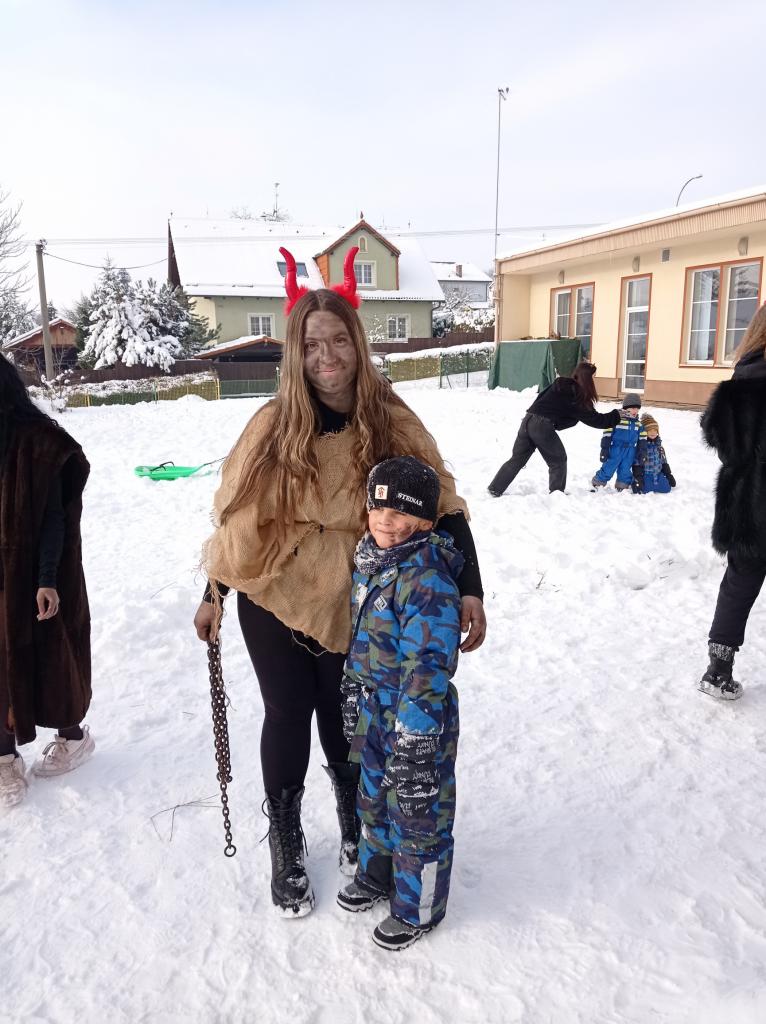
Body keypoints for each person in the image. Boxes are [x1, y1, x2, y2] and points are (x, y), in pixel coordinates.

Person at [193, 247, 486, 917]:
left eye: (338, 341)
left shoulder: (391, 419)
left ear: (357, 344)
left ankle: (359, 822)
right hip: (274, 591)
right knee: (286, 713)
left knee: (346, 715)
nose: (326, 355)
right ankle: (287, 839)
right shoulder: (272, 426)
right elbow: (238, 518)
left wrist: (470, 585)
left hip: (360, 596)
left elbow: (443, 503)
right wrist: (213, 594)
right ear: (295, 353)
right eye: (311, 344)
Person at [335, 456, 461, 951]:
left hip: (416, 718)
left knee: (417, 811)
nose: (385, 520)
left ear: (425, 522)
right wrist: (352, 689)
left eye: (400, 513)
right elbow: (360, 641)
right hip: (375, 710)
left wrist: (416, 736)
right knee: (374, 799)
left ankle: (417, 908)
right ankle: (377, 874)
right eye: (378, 508)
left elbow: (428, 667)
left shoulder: (427, 581)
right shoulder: (371, 565)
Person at [0, 355, 93, 810]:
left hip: (39, 573)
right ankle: (4, 756)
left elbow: (56, 518)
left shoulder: (39, 443)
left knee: (56, 656)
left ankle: (73, 737)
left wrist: (47, 579)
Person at [697, 303, 766, 701]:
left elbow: (721, 443)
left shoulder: (738, 385)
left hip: (745, 508)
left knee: (739, 584)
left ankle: (718, 670)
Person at [488, 361, 621, 495]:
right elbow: (596, 420)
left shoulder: (560, 385)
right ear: (587, 379)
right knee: (558, 460)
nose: (595, 381)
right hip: (541, 425)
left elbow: (540, 400)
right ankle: (557, 494)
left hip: (528, 420)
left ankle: (495, 488)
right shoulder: (576, 394)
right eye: (593, 377)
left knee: (517, 459)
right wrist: (617, 415)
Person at [591, 394, 647, 491]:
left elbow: (642, 439)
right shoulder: (617, 420)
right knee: (609, 466)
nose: (635, 411)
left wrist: (642, 452)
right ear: (625, 408)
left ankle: (622, 485)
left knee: (625, 469)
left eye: (637, 409)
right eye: (633, 408)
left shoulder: (638, 424)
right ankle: (598, 482)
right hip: (616, 449)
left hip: (630, 451)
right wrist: (605, 449)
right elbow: (607, 434)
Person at [632, 413, 676, 494]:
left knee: (666, 489)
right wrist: (638, 477)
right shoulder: (641, 446)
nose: (653, 432)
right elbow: (637, 463)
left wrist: (668, 474)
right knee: (644, 489)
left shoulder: (658, 445)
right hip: (646, 474)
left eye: (655, 430)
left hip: (658, 473)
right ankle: (636, 482)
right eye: (650, 430)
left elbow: (663, 461)